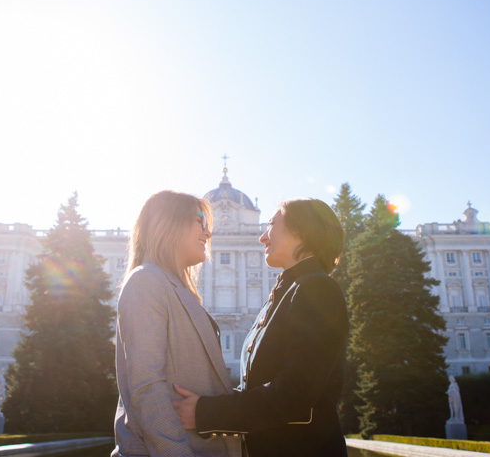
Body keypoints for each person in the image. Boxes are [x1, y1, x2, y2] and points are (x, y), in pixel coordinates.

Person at [173, 198, 349, 457]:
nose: (262, 238)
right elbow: (260, 386)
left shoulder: (316, 289)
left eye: (272, 225)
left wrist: (205, 412)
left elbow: (293, 394)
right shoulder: (287, 291)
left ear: (301, 231)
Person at [111, 190, 241, 457]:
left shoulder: (173, 287)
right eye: (200, 221)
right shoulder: (146, 280)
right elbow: (147, 388)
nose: (208, 233)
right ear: (169, 223)